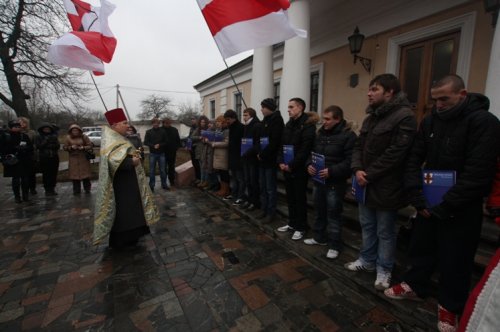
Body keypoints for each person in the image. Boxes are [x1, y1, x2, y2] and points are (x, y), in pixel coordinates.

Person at [384, 75, 500, 332]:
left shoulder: (484, 123)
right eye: (435, 100)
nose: (438, 105)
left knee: (456, 258)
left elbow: (479, 172)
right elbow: (414, 158)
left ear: (463, 94)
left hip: (461, 206)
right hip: (428, 200)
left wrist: (447, 205)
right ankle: (415, 285)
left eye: (444, 99)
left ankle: (450, 305)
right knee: (421, 246)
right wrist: (416, 196)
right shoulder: (430, 121)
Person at [346, 73, 417, 291]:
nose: (368, 93)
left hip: (387, 185)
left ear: (390, 92)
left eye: (374, 89)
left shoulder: (405, 116)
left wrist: (369, 174)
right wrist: (358, 169)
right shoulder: (370, 118)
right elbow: (358, 146)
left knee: (385, 231)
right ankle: (367, 260)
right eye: (369, 89)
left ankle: (384, 268)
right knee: (367, 225)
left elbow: (397, 152)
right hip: (364, 183)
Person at [93, 108, 159, 248]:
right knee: (126, 210)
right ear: (114, 125)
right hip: (122, 185)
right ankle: (124, 239)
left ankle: (134, 235)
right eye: (124, 123)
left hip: (129, 181)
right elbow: (112, 161)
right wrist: (131, 162)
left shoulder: (118, 138)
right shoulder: (112, 140)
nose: (127, 125)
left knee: (133, 208)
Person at [304, 105, 356, 259]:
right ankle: (319, 237)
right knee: (319, 210)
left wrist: (332, 171)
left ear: (337, 119)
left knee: (334, 214)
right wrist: (309, 166)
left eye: (327, 119)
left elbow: (350, 161)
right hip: (318, 180)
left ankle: (335, 244)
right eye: (324, 118)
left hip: (335, 182)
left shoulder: (348, 135)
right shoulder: (320, 134)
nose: (324, 122)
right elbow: (311, 154)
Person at [276, 98, 317, 240]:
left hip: (298, 169)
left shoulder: (308, 125)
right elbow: (282, 145)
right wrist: (281, 161)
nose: (288, 109)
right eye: (288, 107)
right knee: (290, 198)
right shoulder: (289, 124)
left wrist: (291, 165)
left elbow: (305, 150)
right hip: (286, 167)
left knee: (299, 199)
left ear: (300, 107)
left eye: (291, 107)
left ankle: (302, 226)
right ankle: (292, 223)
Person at [256, 98, 284, 224]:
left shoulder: (277, 120)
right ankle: (264, 209)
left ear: (269, 108)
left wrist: (262, 154)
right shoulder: (264, 121)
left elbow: (274, 142)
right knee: (262, 186)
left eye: (263, 107)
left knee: (270, 188)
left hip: (270, 160)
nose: (261, 109)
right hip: (261, 159)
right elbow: (260, 139)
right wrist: (258, 151)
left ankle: (271, 212)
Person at [0, 120, 34, 203]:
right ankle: (17, 197)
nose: (17, 128)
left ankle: (25, 196)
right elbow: (2, 149)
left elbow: (31, 147)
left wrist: (25, 148)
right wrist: (15, 148)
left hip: (24, 160)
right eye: (15, 127)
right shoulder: (6, 136)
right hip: (13, 160)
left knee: (25, 179)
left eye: (19, 127)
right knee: (16, 179)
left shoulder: (24, 136)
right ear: (11, 128)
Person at [241, 108, 262, 211]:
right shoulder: (247, 126)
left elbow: (257, 143)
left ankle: (255, 202)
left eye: (246, 115)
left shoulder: (256, 125)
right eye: (243, 115)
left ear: (251, 116)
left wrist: (248, 152)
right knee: (247, 181)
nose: (244, 117)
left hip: (252, 159)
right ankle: (249, 200)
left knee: (253, 181)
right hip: (246, 158)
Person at [63, 124, 93, 194]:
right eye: (73, 130)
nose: (75, 131)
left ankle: (87, 189)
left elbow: (90, 145)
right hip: (73, 159)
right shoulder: (68, 138)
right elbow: (64, 147)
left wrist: (83, 147)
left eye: (76, 130)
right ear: (71, 131)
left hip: (83, 158)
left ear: (79, 130)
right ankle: (76, 190)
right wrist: (71, 147)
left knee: (85, 175)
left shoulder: (84, 137)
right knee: (75, 176)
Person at [224, 109, 245, 204]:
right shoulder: (231, 128)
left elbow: (242, 144)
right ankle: (234, 194)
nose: (227, 121)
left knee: (240, 179)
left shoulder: (241, 127)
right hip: (232, 157)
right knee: (234, 178)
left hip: (239, 158)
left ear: (234, 118)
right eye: (226, 119)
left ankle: (240, 197)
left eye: (228, 119)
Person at [143, 118, 168, 192]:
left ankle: (164, 184)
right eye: (154, 123)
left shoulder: (163, 131)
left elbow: (166, 142)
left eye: (157, 123)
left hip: (161, 154)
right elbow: (145, 142)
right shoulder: (148, 132)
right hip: (152, 154)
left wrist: (159, 145)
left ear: (159, 124)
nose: (156, 124)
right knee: (152, 171)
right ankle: (152, 186)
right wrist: (153, 145)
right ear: (152, 124)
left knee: (163, 170)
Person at [35, 123, 60, 196]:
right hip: (44, 157)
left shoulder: (54, 136)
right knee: (46, 174)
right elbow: (39, 146)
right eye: (45, 129)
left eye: (48, 129)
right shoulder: (39, 137)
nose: (47, 130)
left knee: (53, 173)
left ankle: (52, 188)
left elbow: (57, 146)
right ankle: (47, 189)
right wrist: (46, 140)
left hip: (54, 156)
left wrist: (52, 144)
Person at [212, 115, 230, 197]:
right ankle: (222, 189)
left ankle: (225, 190)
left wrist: (214, 143)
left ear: (223, 122)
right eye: (216, 122)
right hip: (218, 154)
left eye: (219, 122)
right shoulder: (219, 130)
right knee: (221, 173)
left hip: (224, 155)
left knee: (224, 173)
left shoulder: (226, 130)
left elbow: (226, 143)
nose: (217, 123)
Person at [18, 117, 38, 195]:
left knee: (31, 174)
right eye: (20, 122)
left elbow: (35, 143)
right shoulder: (16, 132)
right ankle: (24, 189)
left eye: (23, 122)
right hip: (20, 155)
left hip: (30, 154)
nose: (21, 124)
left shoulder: (31, 132)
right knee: (22, 174)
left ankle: (32, 188)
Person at [162, 118, 181, 190]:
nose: (168, 125)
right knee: (163, 168)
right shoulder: (161, 130)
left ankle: (172, 181)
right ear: (163, 123)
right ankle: (164, 183)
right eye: (166, 123)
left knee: (171, 167)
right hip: (163, 152)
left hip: (172, 152)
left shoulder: (174, 130)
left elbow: (178, 140)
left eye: (169, 123)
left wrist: (176, 148)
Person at [191, 116, 209, 188]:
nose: (203, 123)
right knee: (201, 167)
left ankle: (206, 181)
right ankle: (202, 181)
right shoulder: (198, 129)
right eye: (201, 122)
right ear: (199, 122)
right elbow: (192, 137)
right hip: (199, 150)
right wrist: (199, 137)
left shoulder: (208, 129)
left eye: (204, 122)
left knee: (205, 167)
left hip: (206, 150)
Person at [187, 116, 201, 183]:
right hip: (191, 147)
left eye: (193, 119)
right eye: (191, 119)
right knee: (194, 163)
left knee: (197, 164)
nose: (192, 120)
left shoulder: (198, 128)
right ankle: (196, 177)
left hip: (197, 147)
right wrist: (188, 145)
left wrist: (193, 138)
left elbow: (197, 137)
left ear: (197, 120)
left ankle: (199, 178)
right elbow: (189, 137)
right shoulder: (191, 128)